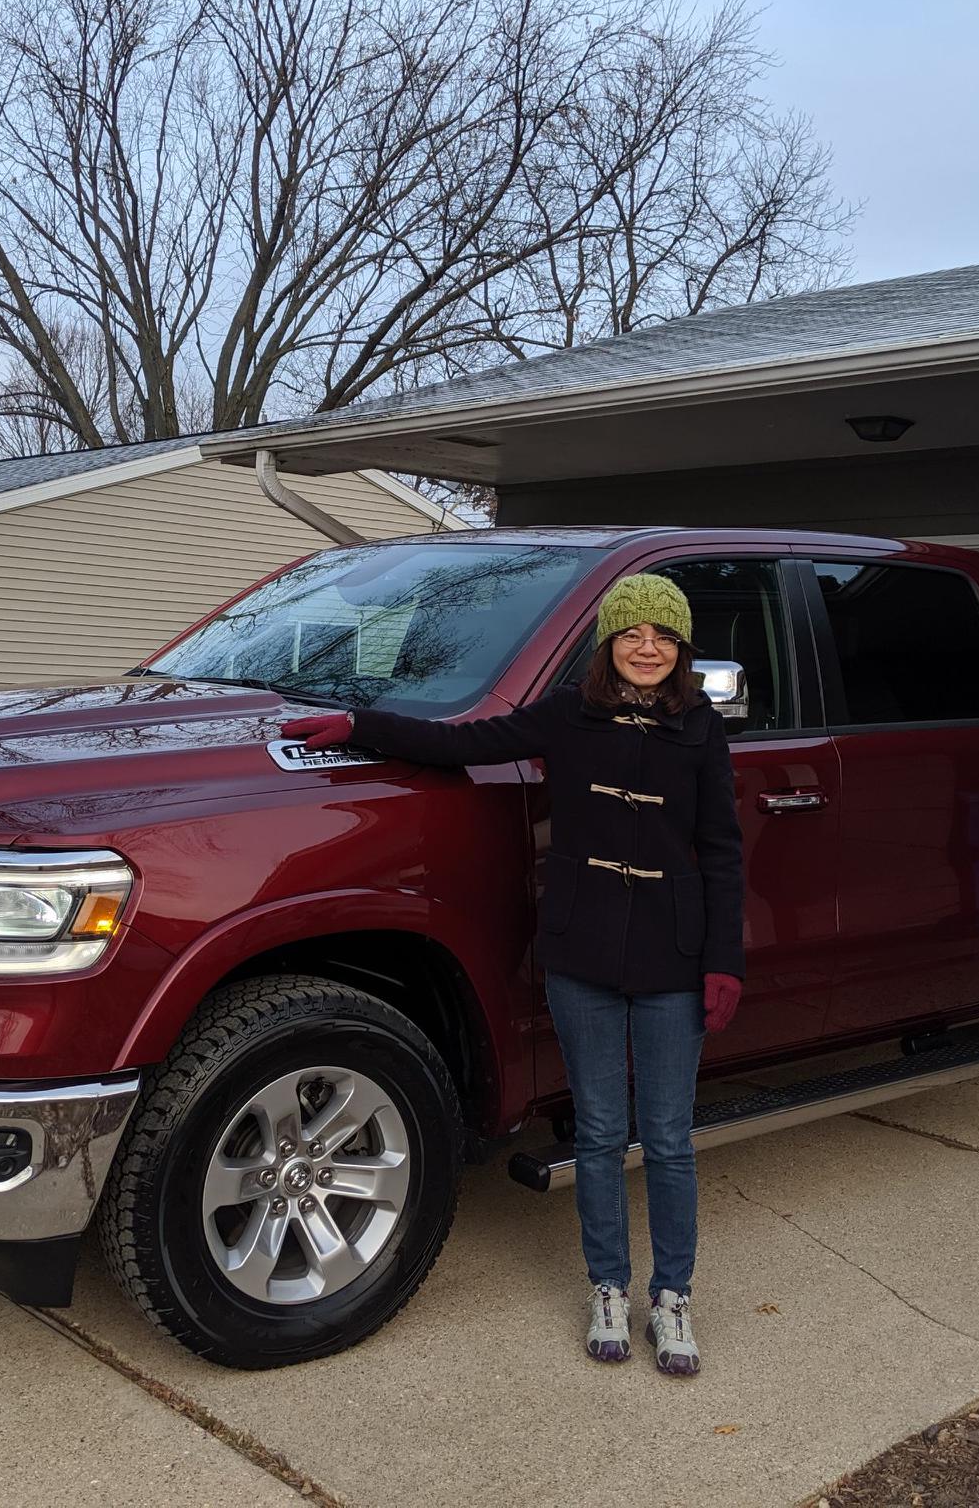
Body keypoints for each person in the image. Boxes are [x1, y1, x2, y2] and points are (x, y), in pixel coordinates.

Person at [280, 572, 745, 1377]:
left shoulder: (700, 730)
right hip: (583, 950)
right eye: (633, 634)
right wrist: (360, 723)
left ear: (680, 651)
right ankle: (607, 1285)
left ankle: (671, 1298)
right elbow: (463, 742)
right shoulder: (567, 715)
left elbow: (722, 853)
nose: (647, 648)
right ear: (609, 643)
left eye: (664, 637)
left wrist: (722, 964)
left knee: (667, 1140)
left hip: (673, 955)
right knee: (600, 1134)